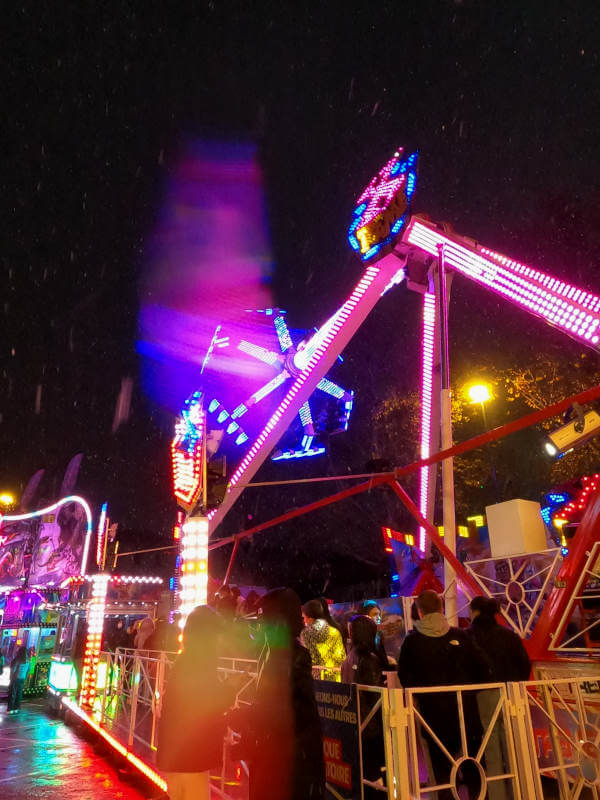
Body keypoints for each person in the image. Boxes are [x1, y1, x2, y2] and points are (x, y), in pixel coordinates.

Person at [229, 588, 325, 800]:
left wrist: (244, 717)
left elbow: (283, 711)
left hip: (287, 763)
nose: (259, 627)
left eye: (264, 621)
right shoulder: (269, 652)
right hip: (272, 757)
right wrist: (248, 741)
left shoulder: (293, 657)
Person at [397, 590, 487, 800]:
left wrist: (425, 691)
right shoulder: (461, 635)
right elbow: (482, 668)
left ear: (419, 612)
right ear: (441, 608)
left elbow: (405, 677)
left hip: (433, 716)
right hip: (466, 712)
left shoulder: (412, 642)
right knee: (474, 766)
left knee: (442, 772)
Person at [157, 606, 231, 800]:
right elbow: (203, 708)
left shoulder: (185, 661)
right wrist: (228, 694)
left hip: (178, 756)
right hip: (191, 758)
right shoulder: (200, 666)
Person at [468, 596, 531, 800]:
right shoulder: (509, 635)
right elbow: (524, 665)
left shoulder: (469, 636)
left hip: (483, 696)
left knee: (491, 750)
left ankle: (497, 795)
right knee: (514, 746)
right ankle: (521, 792)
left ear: (474, 612)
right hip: (512, 694)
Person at [341, 615, 385, 796]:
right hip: (371, 728)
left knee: (364, 772)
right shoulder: (370, 660)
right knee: (376, 774)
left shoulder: (349, 657)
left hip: (356, 724)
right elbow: (376, 697)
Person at [301, 598, 346, 680]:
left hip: (316, 680)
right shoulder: (334, 631)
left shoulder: (305, 633)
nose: (304, 621)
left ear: (310, 618)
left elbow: (309, 659)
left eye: (304, 618)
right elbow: (342, 658)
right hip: (335, 677)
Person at [359, 600, 390, 670]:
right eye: (375, 614)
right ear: (366, 617)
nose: (379, 618)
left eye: (379, 614)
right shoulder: (363, 639)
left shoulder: (378, 636)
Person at [7, 646, 29, 714]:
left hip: (15, 678)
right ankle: (16, 708)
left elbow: (13, 670)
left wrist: (10, 678)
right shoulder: (28, 660)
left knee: (12, 694)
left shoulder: (17, 660)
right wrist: (25, 677)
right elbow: (28, 670)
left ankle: (10, 709)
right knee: (19, 694)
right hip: (22, 679)